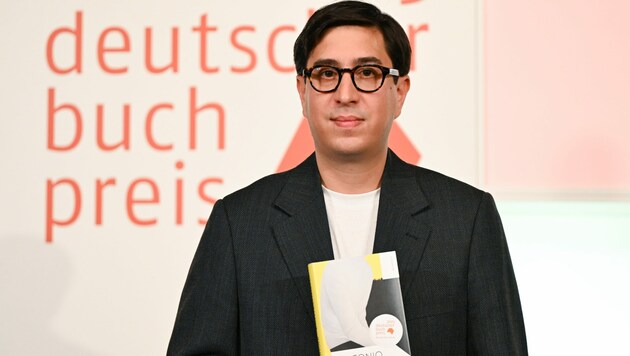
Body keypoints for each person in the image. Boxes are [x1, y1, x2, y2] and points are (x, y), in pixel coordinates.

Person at [167, 1, 528, 355]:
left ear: (399, 92)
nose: (345, 94)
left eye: (367, 74)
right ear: (302, 92)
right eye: (326, 74)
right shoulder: (240, 223)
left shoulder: (466, 219)